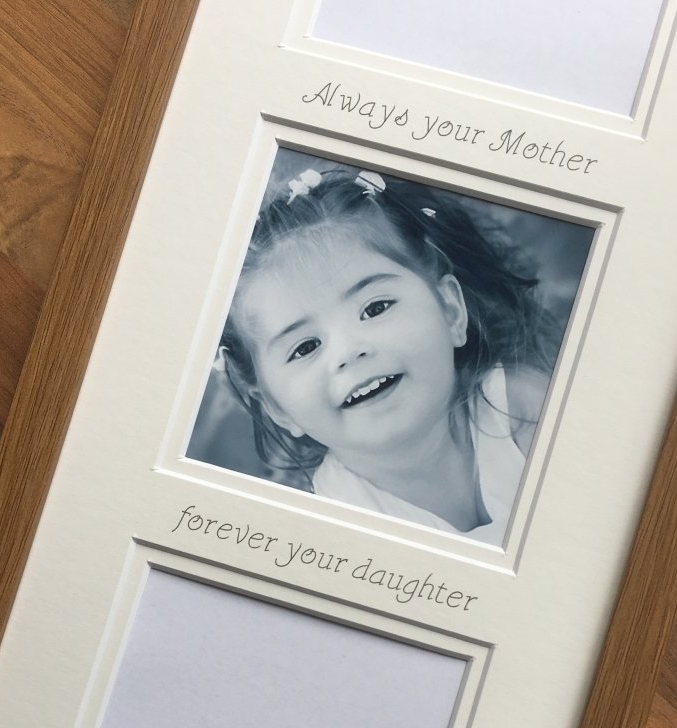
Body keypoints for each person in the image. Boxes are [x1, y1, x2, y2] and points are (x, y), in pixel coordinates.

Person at [199, 163, 562, 544]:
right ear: (276, 407)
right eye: (305, 347)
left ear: (451, 311)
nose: (348, 352)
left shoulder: (525, 412)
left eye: (375, 308)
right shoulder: (336, 527)